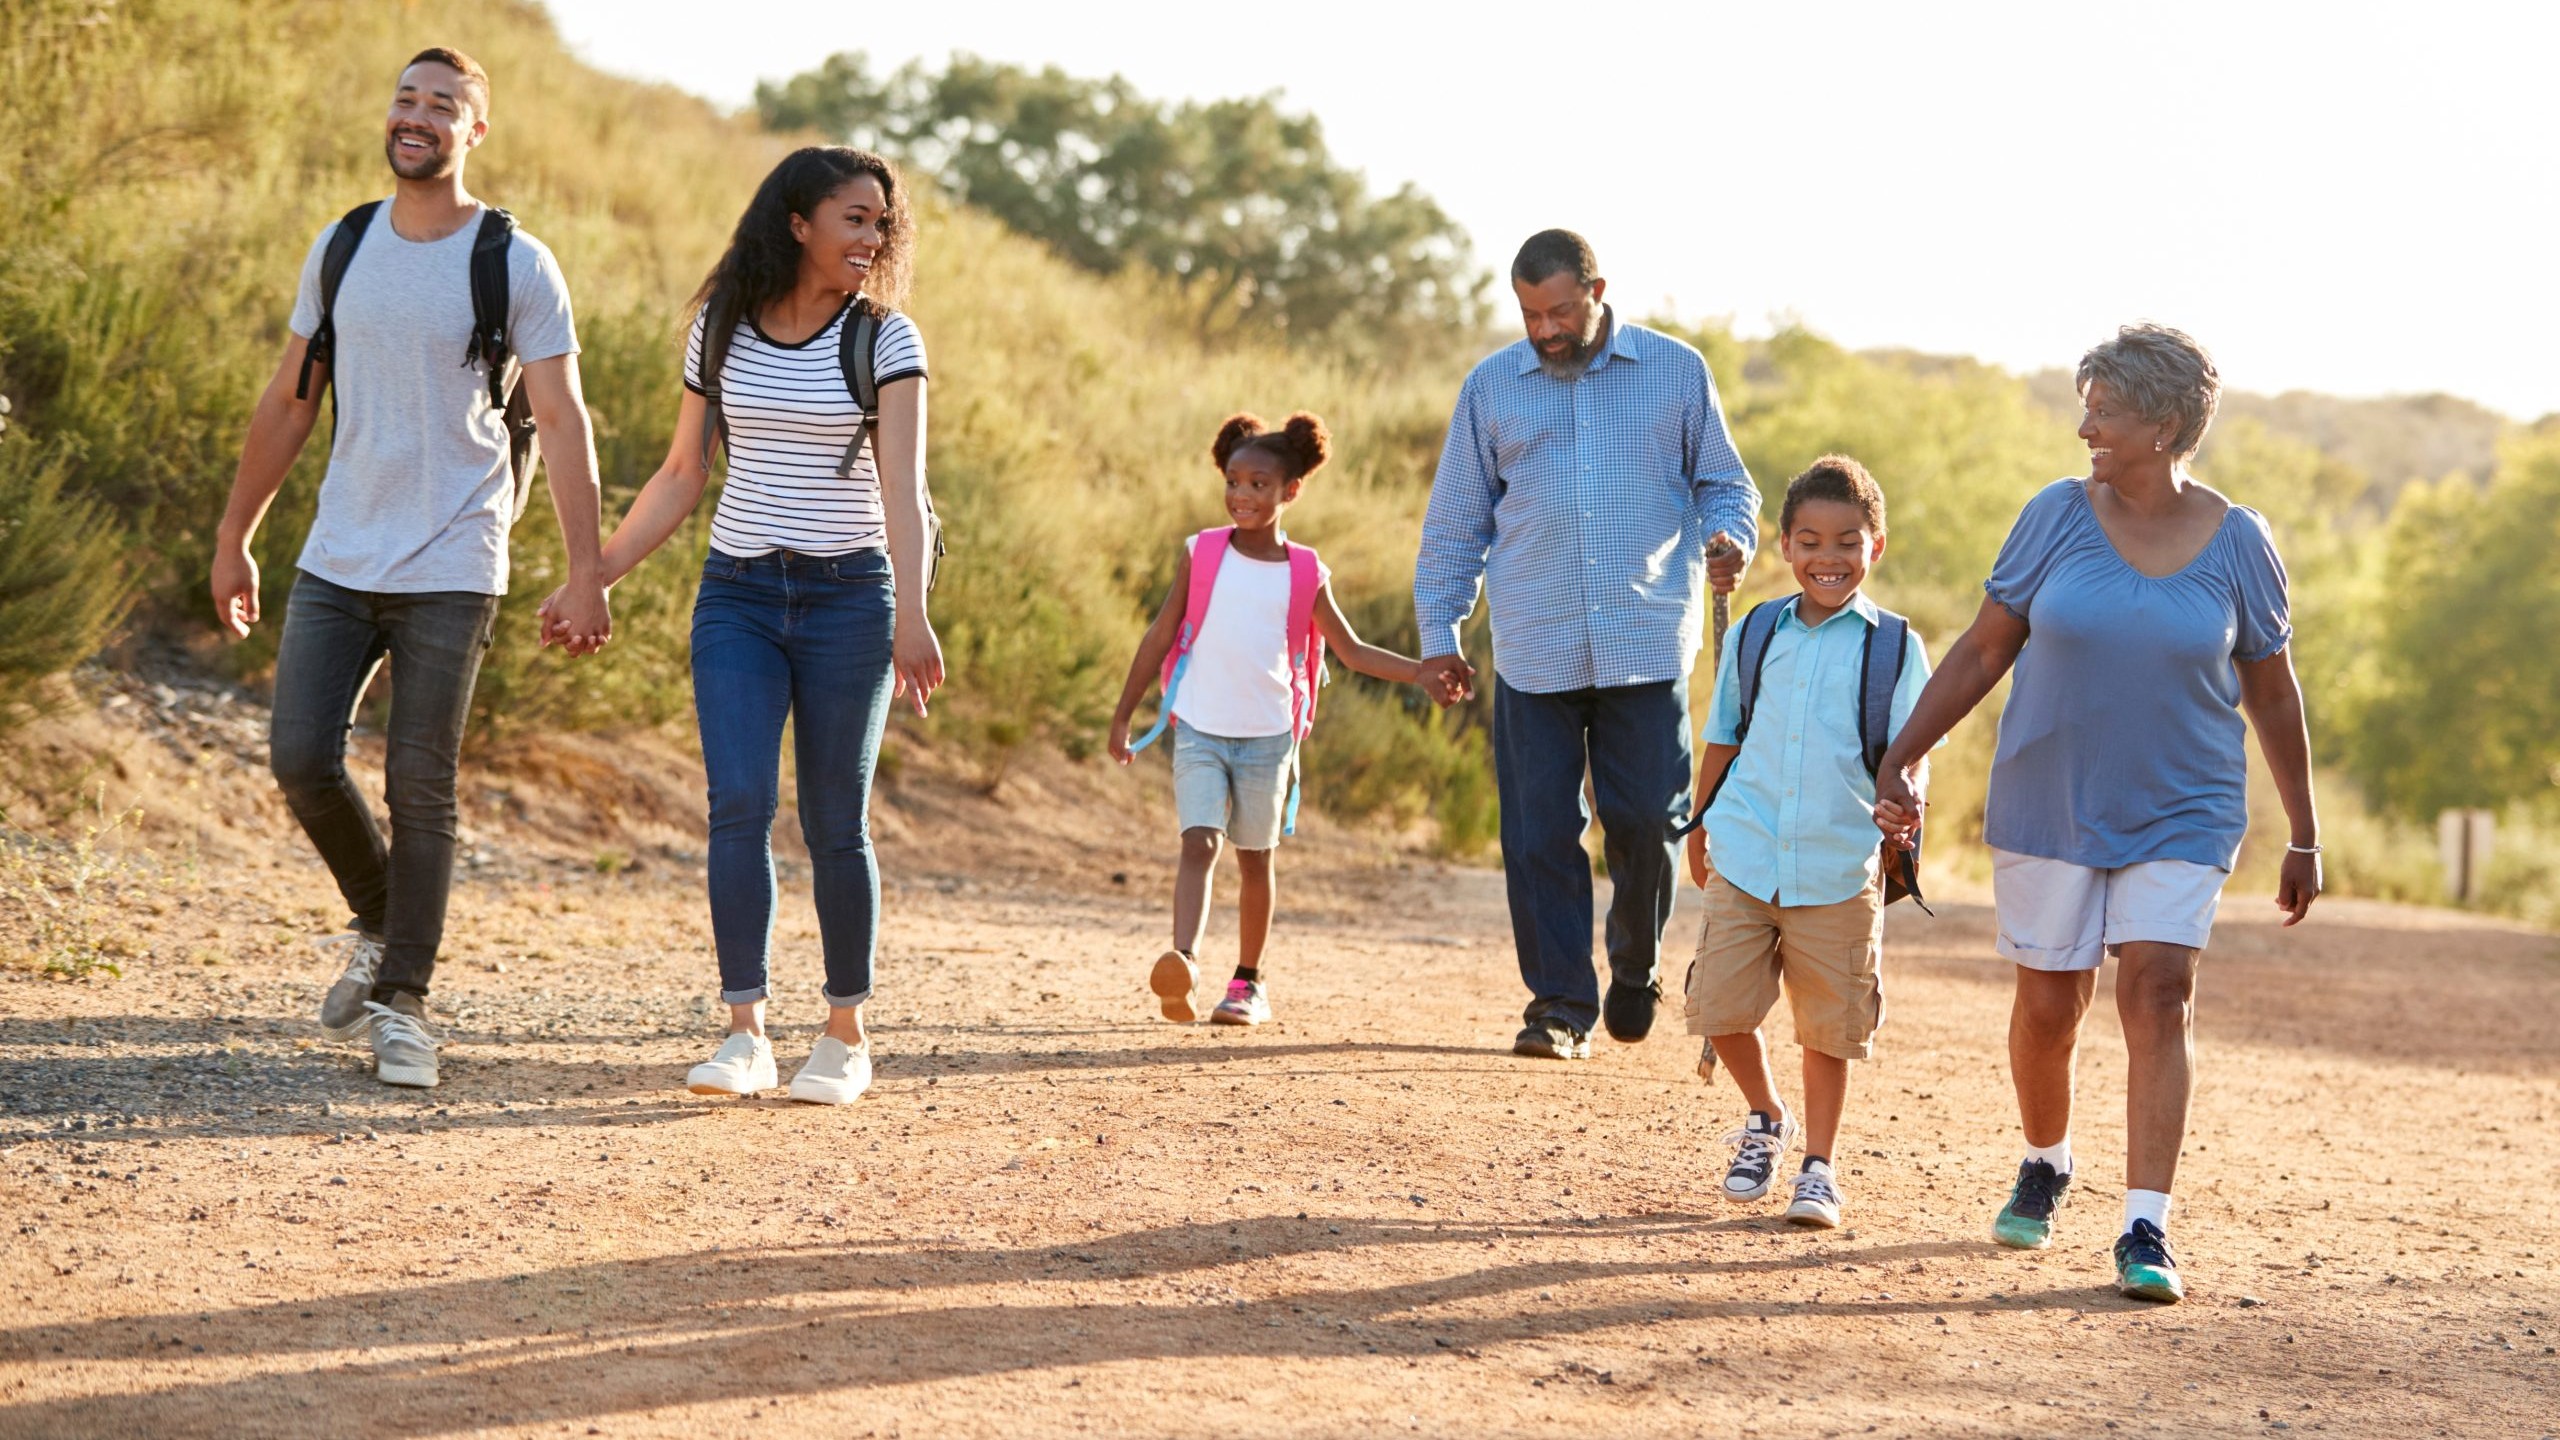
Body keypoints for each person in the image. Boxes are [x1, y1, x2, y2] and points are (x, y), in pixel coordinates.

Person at [1871, 324, 2321, 1302]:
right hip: (2051, 797)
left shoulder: (2240, 542)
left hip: (2186, 804)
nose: (2084, 429)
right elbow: (1985, 650)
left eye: (2103, 411)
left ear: (2162, 425)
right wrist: (1902, 756)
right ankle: (2046, 1157)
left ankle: (2144, 1226)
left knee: (2158, 992)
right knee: (2048, 1003)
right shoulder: (2054, 517)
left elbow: (2274, 694)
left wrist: (2303, 829)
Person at [209, 47, 607, 1090]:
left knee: (419, 784)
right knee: (300, 755)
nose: (418, 116)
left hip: (455, 557)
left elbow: (562, 417)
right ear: (390, 118)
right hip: (340, 550)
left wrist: (586, 569)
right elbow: (292, 398)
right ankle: (386, 923)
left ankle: (406, 1004)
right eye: (406, 98)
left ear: (474, 132)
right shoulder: (344, 245)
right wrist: (234, 533)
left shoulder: (515, 261)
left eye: (445, 105)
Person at [536, 147, 942, 1106]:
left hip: (852, 600)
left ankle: (844, 1035)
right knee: (739, 804)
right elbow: (682, 475)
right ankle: (744, 1032)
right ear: (798, 223)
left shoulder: (886, 340)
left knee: (835, 821)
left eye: (881, 222)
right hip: (740, 597)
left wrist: (914, 618)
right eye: (854, 218)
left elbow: (904, 491)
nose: (872, 238)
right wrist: (592, 576)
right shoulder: (720, 330)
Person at [1414, 229, 1757, 1060]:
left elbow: (1723, 481)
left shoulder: (1675, 372)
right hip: (1534, 642)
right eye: (1531, 314)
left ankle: (1633, 967)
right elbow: (1457, 520)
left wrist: (1730, 537)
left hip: (1644, 638)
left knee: (1645, 822)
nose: (1545, 330)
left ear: (1599, 288)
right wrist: (1440, 630)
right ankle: (1561, 1006)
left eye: (1560, 310)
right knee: (1539, 833)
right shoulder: (1492, 387)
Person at [1108, 413, 1452, 1026]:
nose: (1242, 495)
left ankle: (1247, 982)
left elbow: (1351, 651)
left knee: (1254, 857)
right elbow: (1160, 634)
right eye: (1233, 482)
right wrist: (1123, 714)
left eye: (1258, 484)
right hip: (1199, 728)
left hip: (1270, 736)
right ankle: (1182, 962)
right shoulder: (1202, 552)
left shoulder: (1305, 572)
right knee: (1198, 842)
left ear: (1291, 490)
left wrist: (1420, 671)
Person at [1679, 456, 1933, 1229]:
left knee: (1828, 1028)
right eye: (1812, 541)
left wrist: (1907, 804)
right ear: (1785, 546)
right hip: (1748, 846)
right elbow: (1723, 734)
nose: (1831, 558)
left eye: (1848, 542)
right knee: (1716, 1007)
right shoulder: (1758, 630)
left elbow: (1912, 748)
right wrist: (1698, 822)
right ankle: (1766, 1116)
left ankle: (1819, 1167)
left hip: (1837, 862)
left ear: (1875, 548)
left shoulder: (1894, 647)